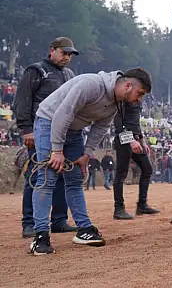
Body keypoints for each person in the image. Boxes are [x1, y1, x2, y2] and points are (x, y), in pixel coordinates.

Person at [29, 68, 152, 255]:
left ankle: (84, 229)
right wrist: (56, 150)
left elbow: (100, 127)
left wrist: (86, 155)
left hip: (74, 130)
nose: (139, 99)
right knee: (47, 177)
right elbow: (63, 113)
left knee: (75, 179)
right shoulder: (91, 85)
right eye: (140, 93)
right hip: (49, 121)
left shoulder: (116, 103)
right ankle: (40, 236)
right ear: (128, 86)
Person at [14, 37, 78, 238]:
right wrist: (26, 129)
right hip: (39, 130)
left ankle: (59, 220)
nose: (67, 57)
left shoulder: (69, 74)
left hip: (63, 132)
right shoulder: (36, 70)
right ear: (52, 50)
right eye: (63, 53)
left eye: (70, 54)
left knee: (62, 174)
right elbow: (22, 100)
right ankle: (30, 222)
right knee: (37, 175)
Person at [113, 100, 159, 220]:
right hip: (123, 140)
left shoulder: (137, 101)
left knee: (147, 169)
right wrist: (131, 140)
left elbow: (136, 123)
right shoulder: (122, 100)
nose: (141, 97)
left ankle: (142, 205)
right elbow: (118, 124)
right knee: (121, 174)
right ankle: (119, 209)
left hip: (136, 139)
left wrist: (142, 141)